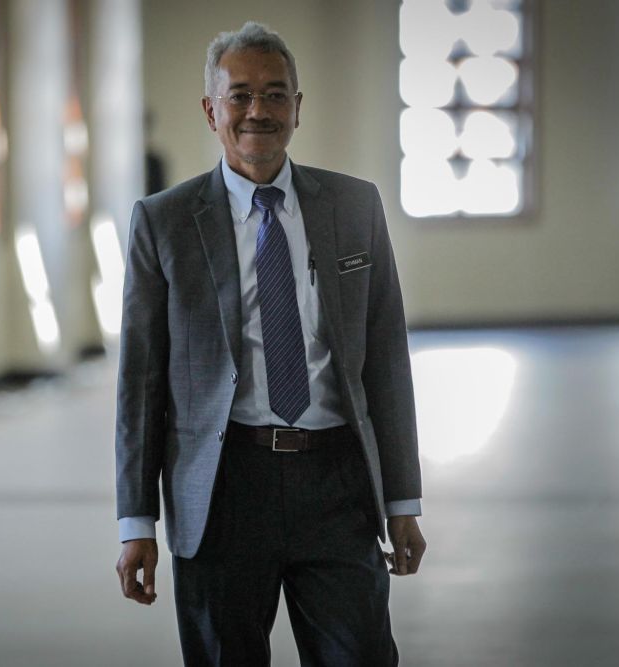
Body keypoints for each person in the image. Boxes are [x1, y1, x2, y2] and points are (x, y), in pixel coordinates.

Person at [115, 22, 425, 666]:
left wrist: (400, 500)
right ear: (211, 109)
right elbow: (141, 384)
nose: (259, 111)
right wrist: (136, 522)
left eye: (277, 94)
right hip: (223, 487)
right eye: (241, 95)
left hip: (336, 479)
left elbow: (387, 360)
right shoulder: (164, 222)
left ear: (297, 108)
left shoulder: (355, 205)